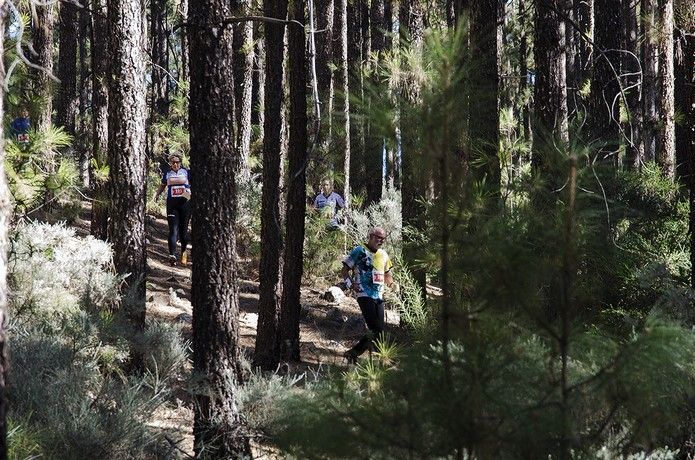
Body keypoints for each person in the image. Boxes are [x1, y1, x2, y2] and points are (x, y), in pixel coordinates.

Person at [341, 226, 395, 362]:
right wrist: (350, 284)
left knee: (379, 330)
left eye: (383, 239)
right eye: (378, 237)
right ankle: (361, 354)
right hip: (364, 293)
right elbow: (344, 270)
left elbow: (388, 274)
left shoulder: (384, 254)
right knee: (375, 328)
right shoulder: (359, 250)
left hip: (379, 295)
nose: (381, 241)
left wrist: (393, 285)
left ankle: (364, 355)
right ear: (371, 236)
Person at [155, 154, 191, 266]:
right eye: (173, 162)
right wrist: (156, 195)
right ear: (170, 163)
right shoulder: (167, 173)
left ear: (180, 162)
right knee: (173, 230)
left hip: (185, 203)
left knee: (183, 232)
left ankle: (184, 254)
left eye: (177, 162)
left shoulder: (186, 172)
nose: (175, 164)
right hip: (172, 204)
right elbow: (163, 185)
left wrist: (188, 195)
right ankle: (172, 255)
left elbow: (193, 186)